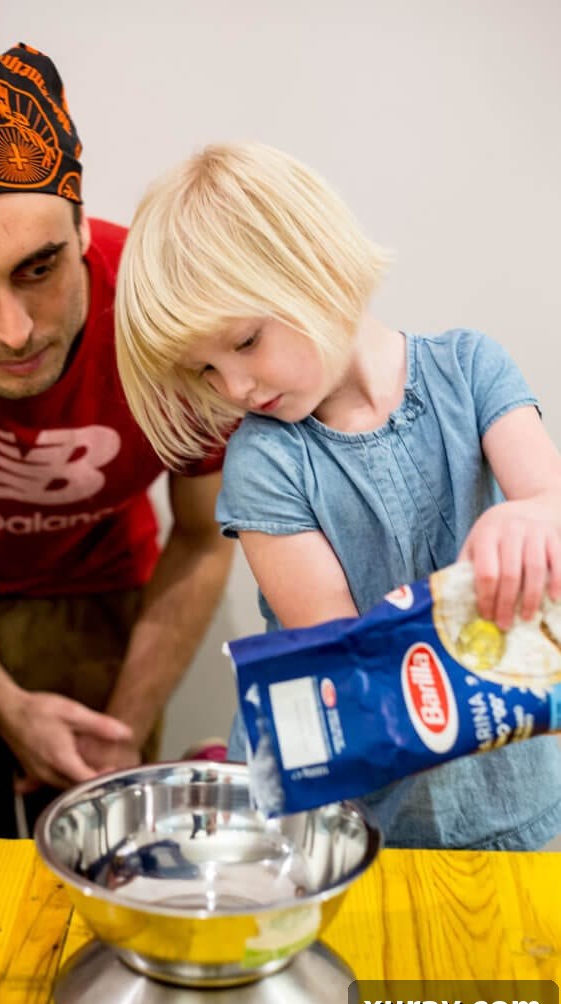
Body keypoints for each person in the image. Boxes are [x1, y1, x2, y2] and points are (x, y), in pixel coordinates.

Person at [114, 141, 561, 850]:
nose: (234, 389)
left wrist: (531, 517)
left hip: (515, 791)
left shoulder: (472, 368)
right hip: (355, 817)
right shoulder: (263, 456)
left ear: (313, 267)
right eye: (202, 369)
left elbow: (548, 499)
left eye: (246, 341)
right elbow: (352, 662)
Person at [0, 44, 234, 838]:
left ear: (80, 225)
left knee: (105, 860)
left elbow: (206, 537)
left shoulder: (170, 313)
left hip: (106, 599)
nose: (13, 331)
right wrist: (4, 707)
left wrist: (123, 731)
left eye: (38, 268)